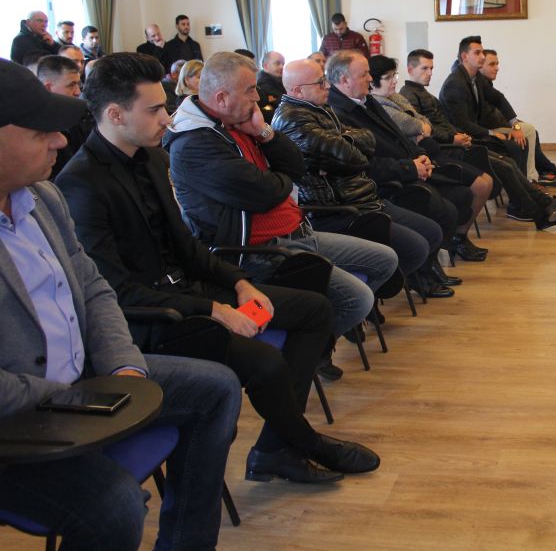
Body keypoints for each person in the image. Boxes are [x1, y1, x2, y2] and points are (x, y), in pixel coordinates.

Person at [56, 52, 380, 483]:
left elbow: (187, 247)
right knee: (264, 361)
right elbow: (116, 292)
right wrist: (214, 310)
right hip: (151, 318)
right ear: (115, 115)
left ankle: (276, 448)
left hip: (188, 292)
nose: (167, 118)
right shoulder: (80, 185)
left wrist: (240, 283)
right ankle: (302, 445)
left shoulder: (150, 159)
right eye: (154, 110)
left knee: (315, 309)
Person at [0, 57, 242, 550]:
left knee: (216, 389)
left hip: (84, 381)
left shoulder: (41, 199)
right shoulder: (72, 185)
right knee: (115, 506)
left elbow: (93, 288)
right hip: (19, 419)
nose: (60, 140)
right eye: (40, 132)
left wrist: (123, 366)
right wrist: (69, 399)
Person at [164, 51, 399, 367]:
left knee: (385, 260)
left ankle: (314, 348)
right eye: (250, 90)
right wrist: (282, 180)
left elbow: (295, 167)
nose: (258, 97)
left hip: (299, 230)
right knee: (357, 299)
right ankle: (304, 356)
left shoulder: (241, 122)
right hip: (258, 250)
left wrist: (265, 133)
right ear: (221, 98)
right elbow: (265, 194)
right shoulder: (196, 143)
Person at [273, 58, 453, 296]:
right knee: (416, 246)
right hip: (339, 209)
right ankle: (368, 296)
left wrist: (350, 149)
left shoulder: (321, 108)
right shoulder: (292, 118)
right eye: (320, 82)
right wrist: (352, 150)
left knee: (432, 229)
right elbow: (352, 155)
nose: (327, 86)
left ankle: (376, 291)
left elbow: (367, 140)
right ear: (297, 90)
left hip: (362, 195)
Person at [329, 50, 491, 261]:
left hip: (410, 164)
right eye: (364, 74)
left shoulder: (368, 101)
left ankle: (439, 259)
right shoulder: (340, 114)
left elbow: (406, 134)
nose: (370, 79)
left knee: (465, 191)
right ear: (344, 80)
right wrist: (411, 165)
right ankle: (431, 265)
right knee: (448, 208)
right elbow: (371, 160)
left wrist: (420, 155)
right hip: (388, 182)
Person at [396, 51, 556, 230]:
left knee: (508, 162)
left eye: (431, 68)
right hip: (446, 150)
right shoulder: (409, 96)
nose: (430, 73)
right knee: (505, 165)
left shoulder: (424, 93)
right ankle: (540, 211)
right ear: (410, 70)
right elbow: (423, 131)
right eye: (424, 68)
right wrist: (453, 137)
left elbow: (445, 123)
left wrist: (459, 135)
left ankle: (543, 206)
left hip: (456, 143)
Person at [480, 48, 556, 186]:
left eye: (497, 64)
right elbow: (489, 118)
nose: (497, 68)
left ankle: (545, 171)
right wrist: (515, 126)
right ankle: (534, 177)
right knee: (528, 130)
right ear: (480, 65)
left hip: (495, 125)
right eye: (492, 64)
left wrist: (515, 123)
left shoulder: (485, 83)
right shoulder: (478, 85)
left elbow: (498, 108)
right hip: (488, 131)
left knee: (531, 131)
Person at [438, 36, 528, 174]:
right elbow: (463, 124)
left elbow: (498, 98)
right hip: (466, 139)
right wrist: (492, 133)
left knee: (521, 140)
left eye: (482, 52)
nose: (482, 56)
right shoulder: (455, 83)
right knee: (515, 145)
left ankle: (526, 184)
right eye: (477, 53)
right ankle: (522, 186)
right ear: (464, 56)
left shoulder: (476, 77)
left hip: (478, 133)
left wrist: (515, 125)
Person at [35, 55, 92, 179]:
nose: (78, 92)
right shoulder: (36, 127)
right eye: (71, 85)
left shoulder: (80, 116)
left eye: (78, 85)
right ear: (48, 88)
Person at [257, 50, 287, 120]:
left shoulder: (283, 81)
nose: (281, 67)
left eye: (283, 64)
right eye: (277, 63)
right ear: (265, 66)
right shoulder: (260, 88)